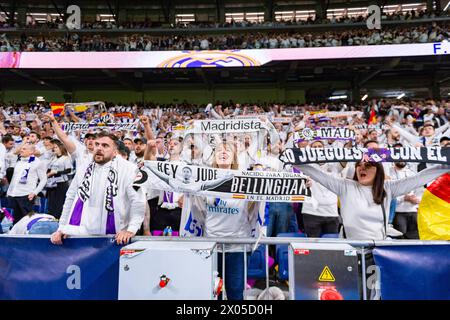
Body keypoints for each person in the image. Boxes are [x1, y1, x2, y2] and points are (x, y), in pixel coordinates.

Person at [296, 158, 450, 240]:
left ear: (378, 171)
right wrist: (293, 158)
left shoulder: (388, 188)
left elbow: (419, 178)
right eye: (359, 165)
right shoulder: (345, 186)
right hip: (350, 248)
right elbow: (316, 173)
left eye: (368, 165)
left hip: (377, 250)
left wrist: (446, 165)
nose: (362, 167)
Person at [50, 131, 146, 245]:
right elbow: (70, 197)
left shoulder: (129, 169)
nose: (99, 148)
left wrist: (131, 230)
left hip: (115, 237)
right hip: (82, 234)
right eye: (97, 144)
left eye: (105, 146)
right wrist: (62, 227)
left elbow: (138, 201)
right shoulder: (84, 167)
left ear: (115, 152)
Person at [6, 143, 47, 224]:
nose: (21, 150)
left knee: (25, 221)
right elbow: (14, 179)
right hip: (12, 195)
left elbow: (44, 180)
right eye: (22, 148)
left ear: (31, 151)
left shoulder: (37, 162)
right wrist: (9, 192)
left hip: (26, 196)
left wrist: (35, 193)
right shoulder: (18, 160)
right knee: (10, 220)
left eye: (24, 149)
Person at [46, 139, 73, 218]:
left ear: (61, 148)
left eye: (56, 147)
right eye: (53, 147)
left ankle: (58, 218)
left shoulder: (65, 158)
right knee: (51, 202)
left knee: (59, 202)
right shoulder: (53, 158)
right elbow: (49, 168)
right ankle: (51, 217)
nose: (54, 149)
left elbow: (69, 170)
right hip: (51, 183)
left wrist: (56, 172)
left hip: (61, 183)